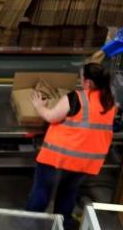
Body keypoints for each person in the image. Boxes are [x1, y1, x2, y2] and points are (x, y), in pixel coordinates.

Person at [26, 63, 118, 229]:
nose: (80, 81)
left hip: (57, 157)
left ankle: (30, 223)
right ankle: (63, 224)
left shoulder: (76, 97)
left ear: (88, 82)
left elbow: (51, 117)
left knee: (42, 191)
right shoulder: (110, 101)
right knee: (68, 193)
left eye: (81, 77)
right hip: (85, 162)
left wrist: (39, 106)